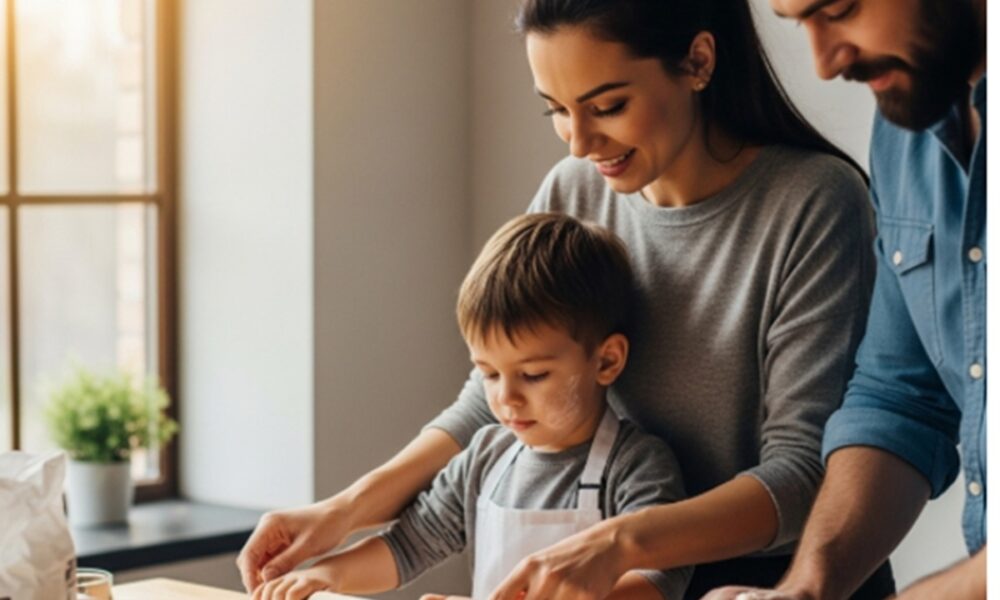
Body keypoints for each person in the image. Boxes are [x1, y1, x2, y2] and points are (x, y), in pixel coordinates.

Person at [238, 0, 891, 598]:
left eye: (606, 106)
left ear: (698, 61)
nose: (579, 142)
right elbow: (486, 400)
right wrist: (345, 512)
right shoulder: (577, 188)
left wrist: (620, 544)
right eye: (555, 109)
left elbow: (806, 476)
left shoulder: (813, 203)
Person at [249, 213, 691, 600]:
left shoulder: (637, 466)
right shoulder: (484, 457)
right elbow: (406, 547)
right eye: (489, 373)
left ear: (607, 360)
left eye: (533, 375)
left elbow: (658, 583)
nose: (506, 398)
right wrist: (324, 576)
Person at [703, 1, 987, 599]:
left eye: (839, 9)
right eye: (798, 22)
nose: (825, 62)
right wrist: (806, 588)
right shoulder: (906, 130)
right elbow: (901, 397)